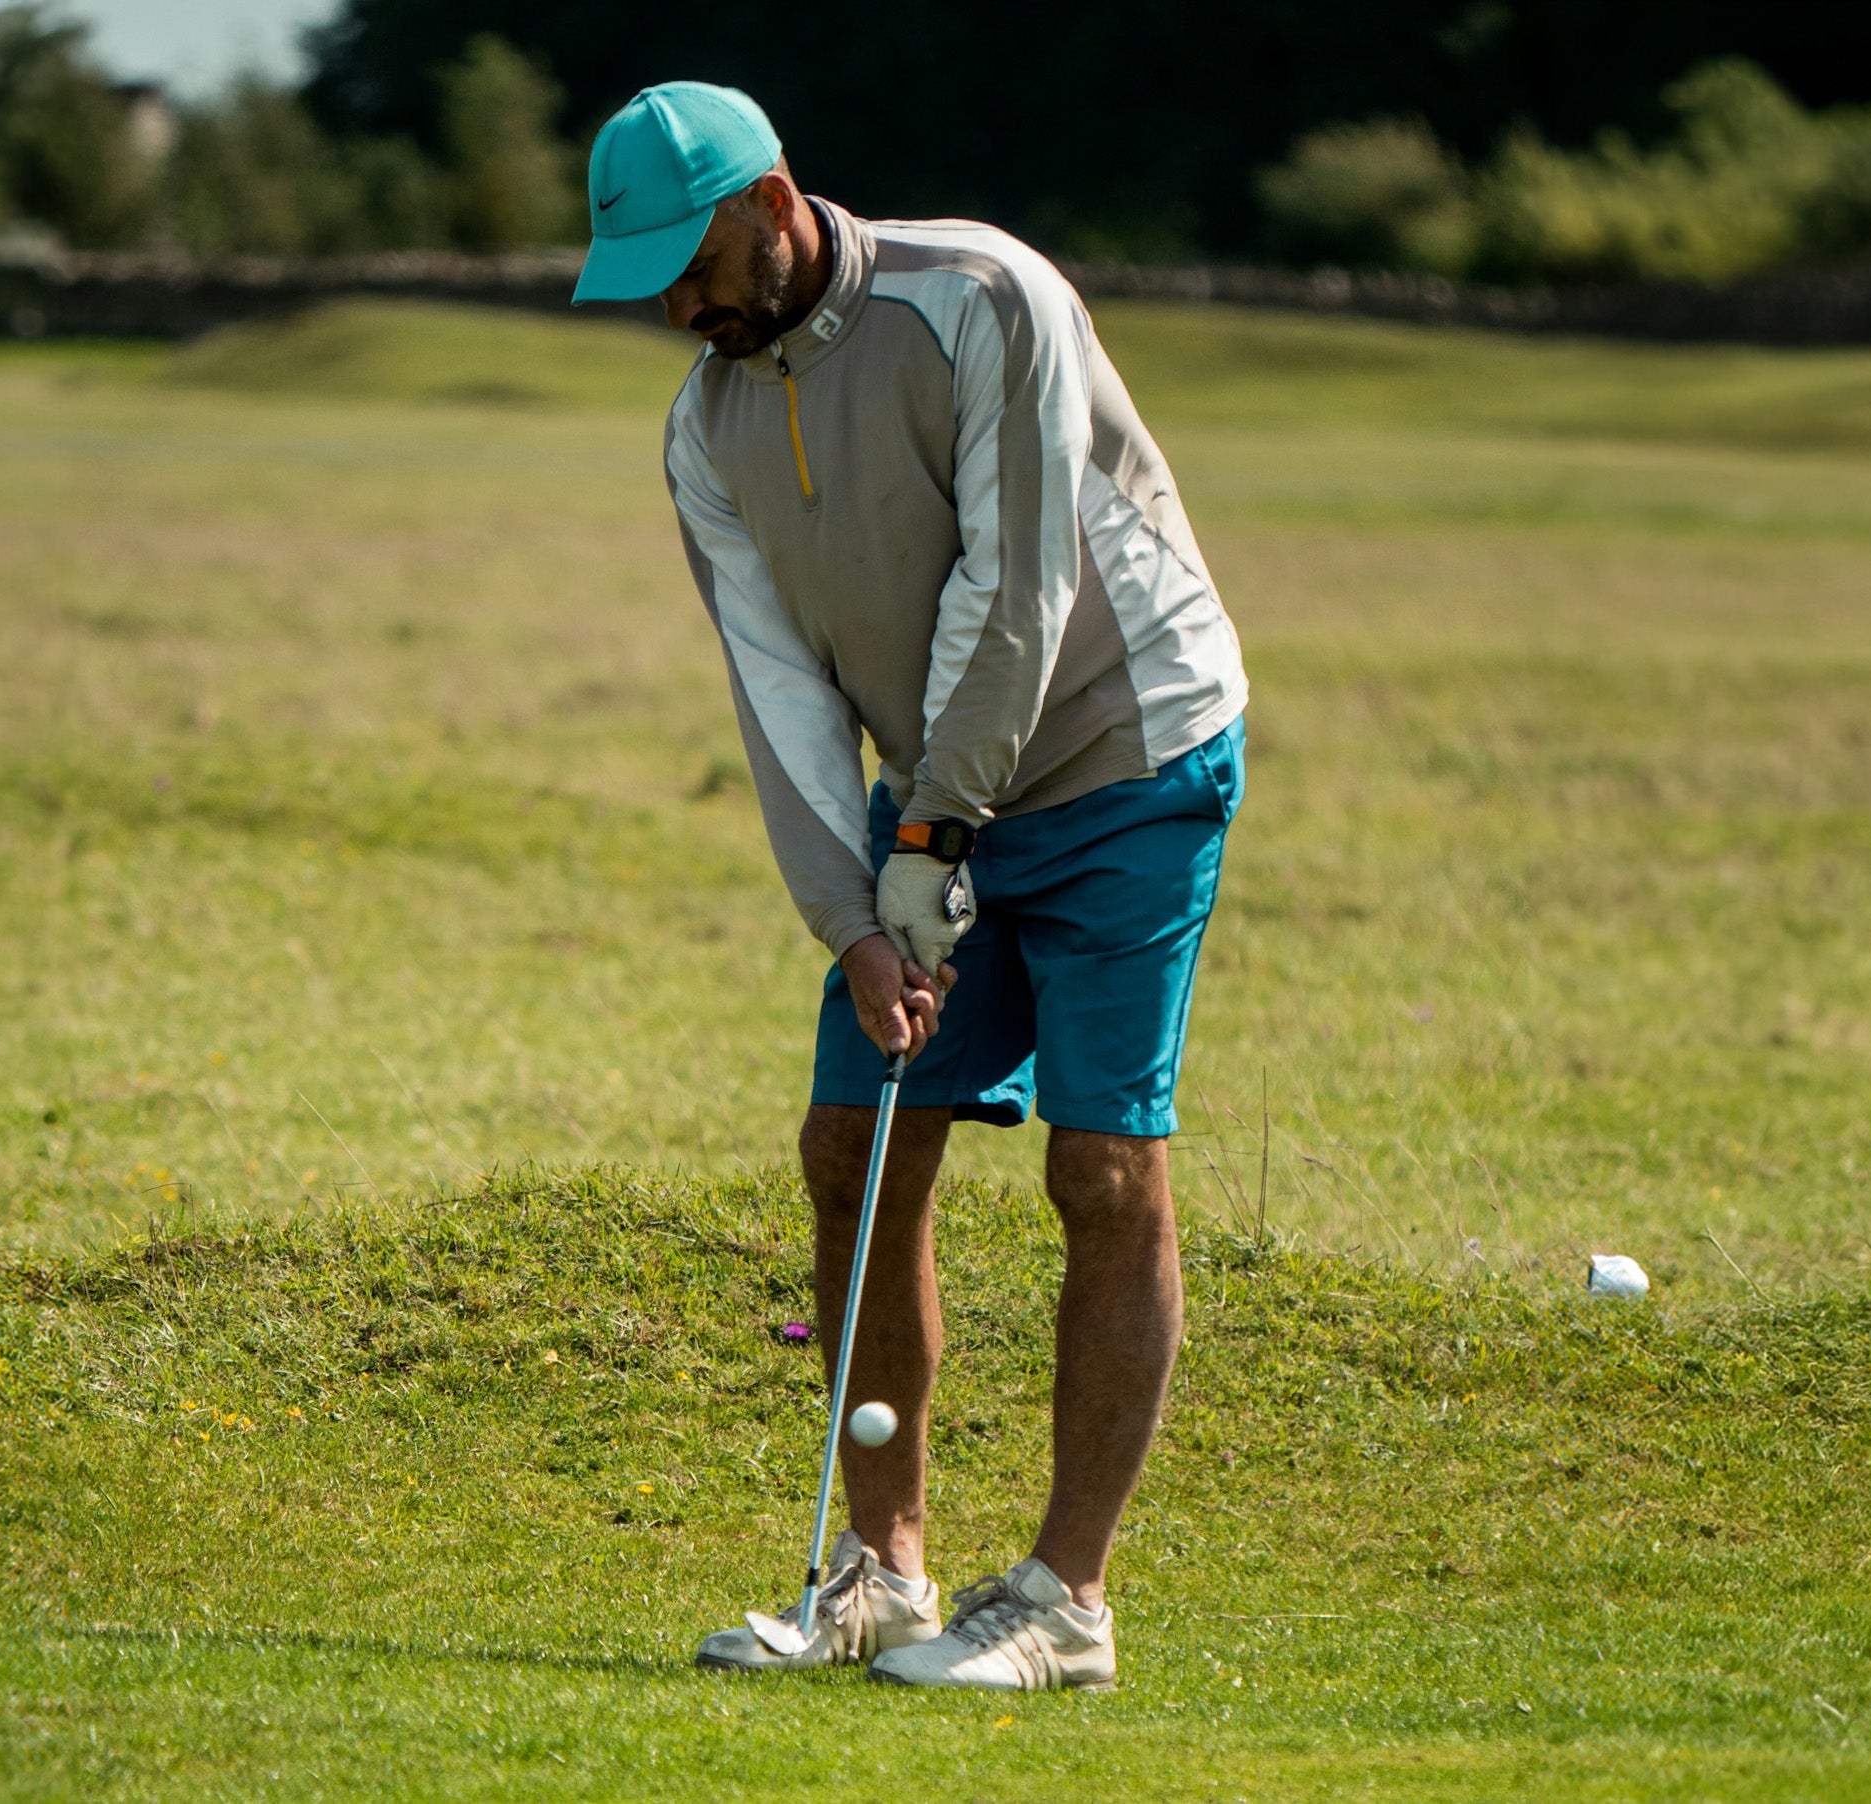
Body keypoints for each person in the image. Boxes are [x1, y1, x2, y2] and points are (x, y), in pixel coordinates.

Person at [577, 82, 1248, 1693]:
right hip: (939, 796)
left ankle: (1065, 1603)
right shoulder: (704, 426)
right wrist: (855, 918)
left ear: (773, 202)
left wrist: (934, 836)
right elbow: (779, 693)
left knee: (1101, 1168)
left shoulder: (981, 296)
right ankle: (880, 1575)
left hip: (1126, 754)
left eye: (694, 266)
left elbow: (1019, 586)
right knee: (855, 1145)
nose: (679, 309)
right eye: (650, 284)